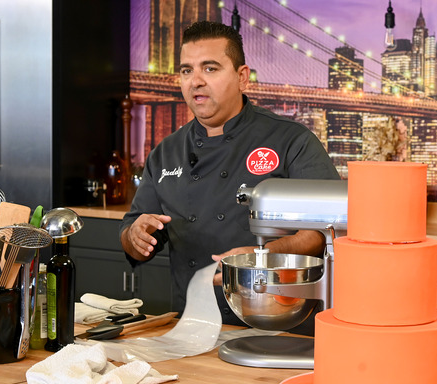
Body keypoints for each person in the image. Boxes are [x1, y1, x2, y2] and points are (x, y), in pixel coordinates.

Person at [120, 21, 340, 328]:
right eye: (187, 70)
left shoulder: (291, 140)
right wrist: (136, 236)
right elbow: (132, 233)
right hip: (192, 327)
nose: (195, 81)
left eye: (210, 68)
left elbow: (328, 229)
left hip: (281, 326)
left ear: (242, 77)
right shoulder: (165, 152)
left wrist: (264, 255)